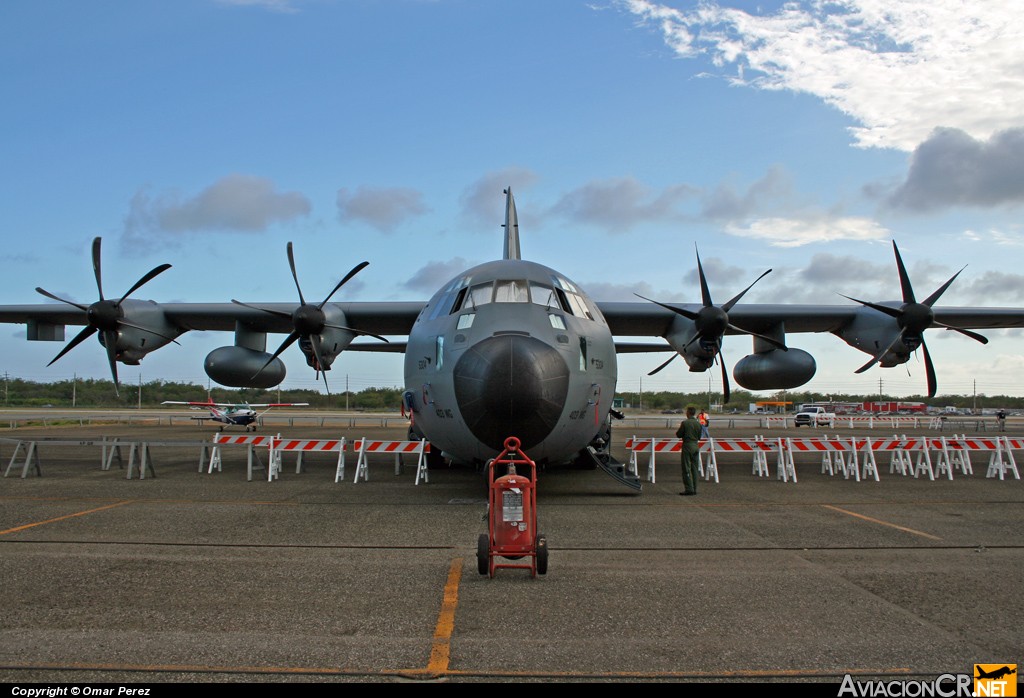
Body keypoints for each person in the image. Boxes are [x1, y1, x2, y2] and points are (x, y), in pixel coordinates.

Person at [675, 406, 702, 496]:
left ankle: (689, 488)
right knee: (694, 468)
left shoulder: (685, 423)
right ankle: (694, 488)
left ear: (688, 413)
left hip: (687, 445)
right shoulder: (698, 423)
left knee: (686, 467)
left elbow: (679, 435)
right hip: (695, 445)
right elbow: (699, 436)